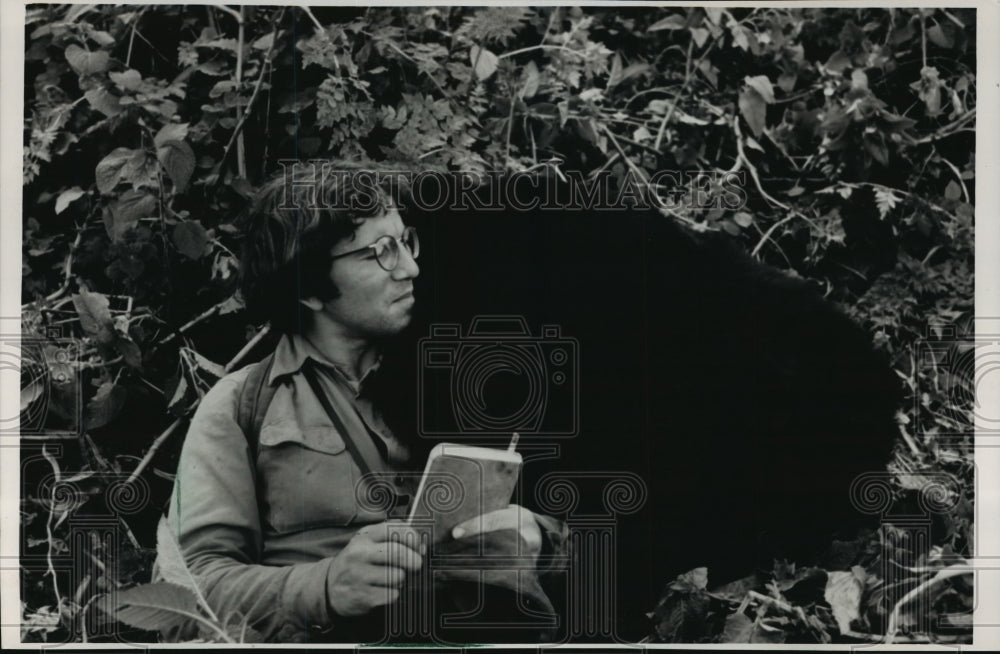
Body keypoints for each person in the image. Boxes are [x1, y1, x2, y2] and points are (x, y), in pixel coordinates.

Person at [157, 162, 565, 643]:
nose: (410, 268)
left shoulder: (459, 376)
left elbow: (586, 532)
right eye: (380, 253)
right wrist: (324, 587)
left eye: (406, 242)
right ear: (308, 287)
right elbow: (187, 594)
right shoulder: (240, 406)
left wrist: (544, 541)